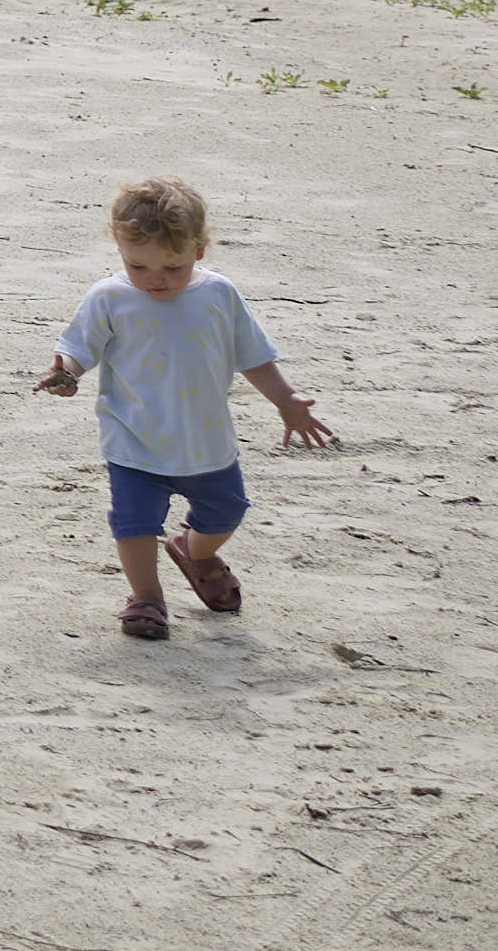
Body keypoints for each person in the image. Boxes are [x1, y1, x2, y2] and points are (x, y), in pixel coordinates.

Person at [39, 175, 334, 638]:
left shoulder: (218, 295)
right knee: (133, 523)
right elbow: (79, 348)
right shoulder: (109, 297)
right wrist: (68, 373)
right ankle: (146, 598)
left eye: (172, 267)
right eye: (138, 265)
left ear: (199, 250)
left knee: (226, 513)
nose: (155, 279)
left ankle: (195, 552)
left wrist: (286, 399)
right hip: (134, 441)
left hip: (206, 442)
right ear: (119, 249)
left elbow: (253, 357)